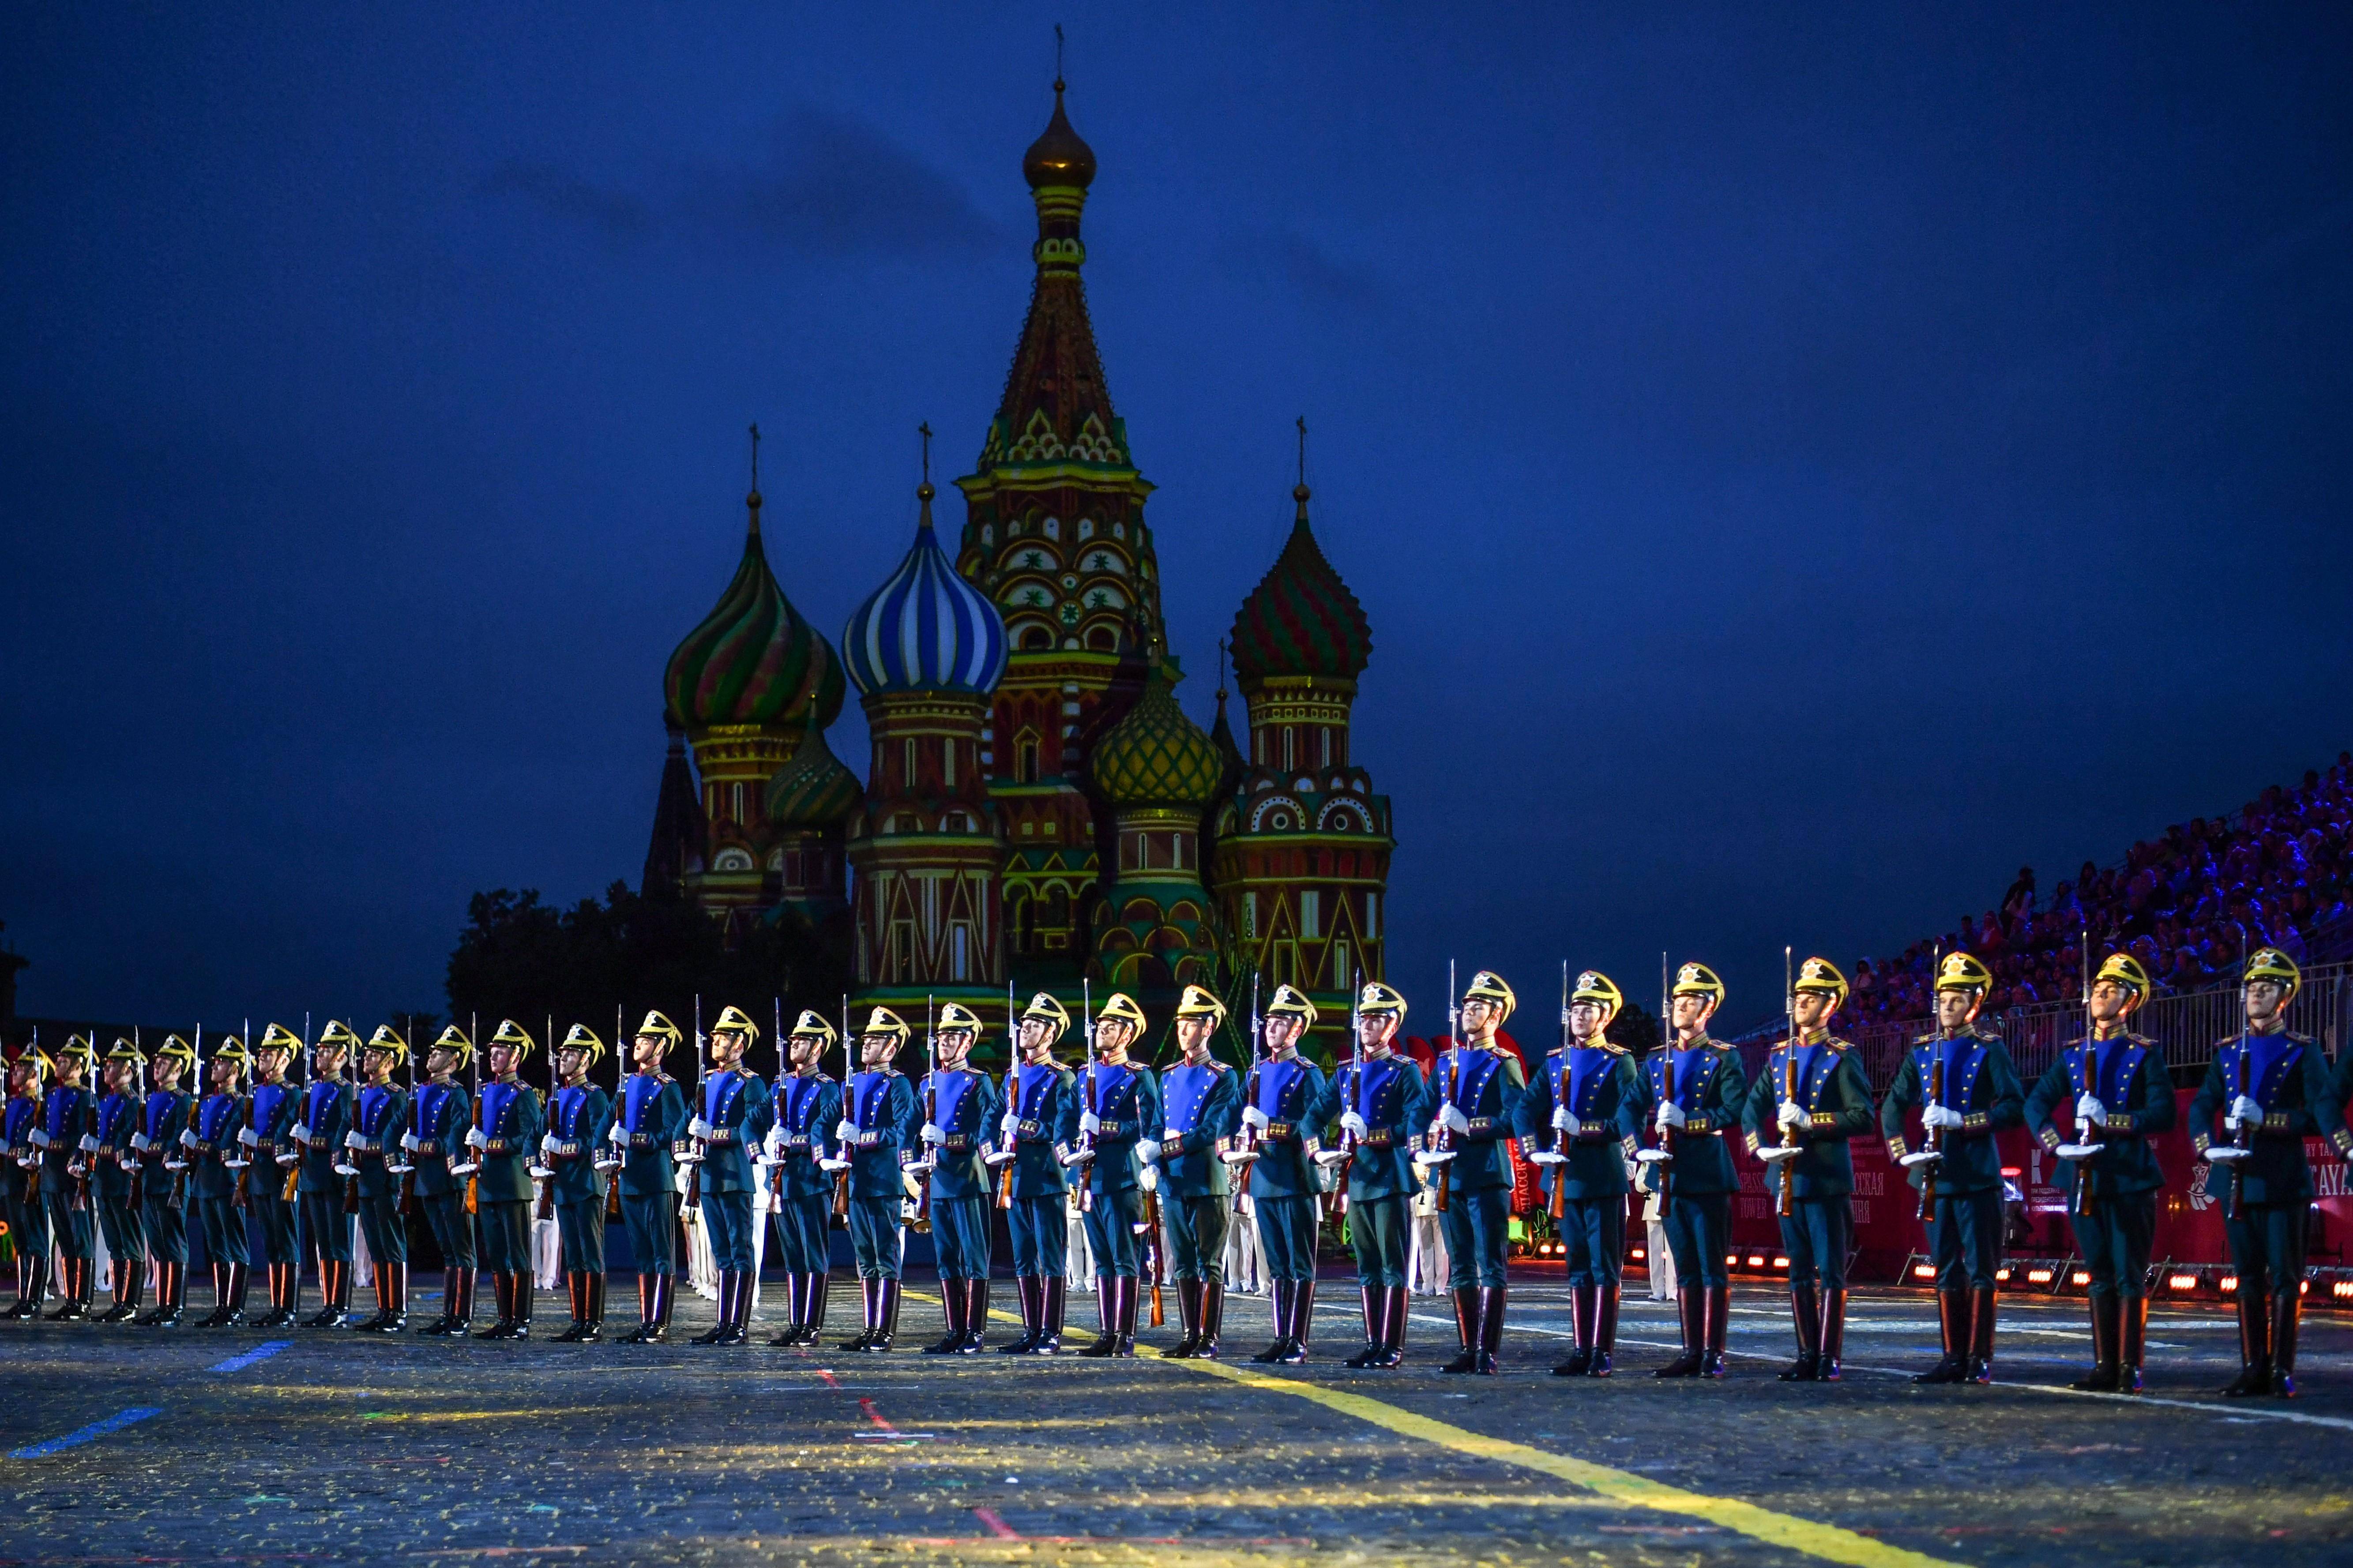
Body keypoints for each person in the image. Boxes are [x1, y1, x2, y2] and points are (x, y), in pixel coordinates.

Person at [2195, 948, 2342, 1397]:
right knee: (2246, 1275)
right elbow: (2202, 1103)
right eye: (2250, 987)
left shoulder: (2303, 1050)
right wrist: (2207, 1146)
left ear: (2284, 997)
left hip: (2280, 1176)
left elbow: (2319, 1113)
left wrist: (2267, 1118)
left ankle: (2280, 1368)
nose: (2255, 993)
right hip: (2237, 1177)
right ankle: (2252, 1367)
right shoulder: (2226, 1051)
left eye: (2265, 987)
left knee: (2283, 1275)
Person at [2024, 954, 2174, 1393]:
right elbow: (2035, 1103)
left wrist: (2114, 1120)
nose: (2099, 996)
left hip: (2128, 1173)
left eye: (2110, 990)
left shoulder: (2144, 1053)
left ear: (2129, 1001)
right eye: (2097, 989)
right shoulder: (2073, 1054)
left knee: (2129, 1272)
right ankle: (2105, 1365)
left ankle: (2130, 1367)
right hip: (2083, 1175)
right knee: (2098, 1271)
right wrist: (2057, 1143)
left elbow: (2163, 1113)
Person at [1881, 952, 2025, 1385]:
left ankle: (1978, 1358)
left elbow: (2014, 1104)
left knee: (1982, 1267)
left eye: (1957, 998)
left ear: (1974, 1004)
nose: (1947, 1005)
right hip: (1935, 1175)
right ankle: (1951, 1355)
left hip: (1976, 1171)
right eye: (1943, 996)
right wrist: (1900, 1151)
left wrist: (1964, 1121)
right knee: (1945, 1265)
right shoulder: (1922, 1049)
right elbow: (1893, 1102)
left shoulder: (1988, 1048)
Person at [1742, 958, 1872, 1383]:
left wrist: (1812, 1123)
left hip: (1823, 1176)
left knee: (1831, 1270)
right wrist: (1759, 1147)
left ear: (1831, 1005)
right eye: (1799, 996)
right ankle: (1805, 1353)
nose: (1802, 1003)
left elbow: (1863, 1116)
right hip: (1787, 1177)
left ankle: (1829, 1356)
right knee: (1798, 1269)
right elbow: (1751, 1108)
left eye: (1812, 997)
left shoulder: (1842, 1057)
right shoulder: (1780, 1055)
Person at [1519, 971, 1646, 1377]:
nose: (1580, 1015)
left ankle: (1602, 1351)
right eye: (1575, 1008)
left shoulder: (1619, 1061)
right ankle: (1580, 1348)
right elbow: (1524, 1108)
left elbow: (1629, 1117)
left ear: (1605, 1016)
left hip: (1602, 1174)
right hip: (1566, 1178)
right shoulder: (1556, 1061)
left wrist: (1583, 1128)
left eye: (1589, 1009)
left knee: (1604, 1265)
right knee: (1577, 1264)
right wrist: (1534, 1152)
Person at [1640, 963, 1746, 1378]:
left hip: (1705, 1171)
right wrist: (1636, 1149)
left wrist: (1690, 1121)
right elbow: (1630, 1105)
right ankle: (1690, 1350)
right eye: (1678, 1001)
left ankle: (1713, 1353)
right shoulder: (1655, 1059)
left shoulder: (1723, 1056)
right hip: (1669, 1175)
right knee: (1684, 1265)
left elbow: (1734, 1108)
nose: (1682, 1007)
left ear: (1708, 1009)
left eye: (1691, 1002)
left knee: (1711, 1266)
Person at [1421, 970, 1527, 1376]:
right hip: (1449, 1174)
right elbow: (1420, 1107)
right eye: (1466, 1006)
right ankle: (1468, 1347)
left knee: (1491, 1264)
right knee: (1461, 1264)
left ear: (1496, 1015)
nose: (1469, 1012)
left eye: (1478, 1007)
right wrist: (1422, 1140)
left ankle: (1488, 1351)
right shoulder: (1448, 1061)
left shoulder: (1504, 1063)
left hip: (1485, 1172)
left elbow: (1516, 1117)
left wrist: (1470, 1125)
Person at [1323, 981, 1428, 1369]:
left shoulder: (1404, 1070)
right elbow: (1314, 1116)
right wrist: (1319, 1149)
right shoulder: (1346, 1071)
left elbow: (1415, 1123)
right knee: (1366, 1265)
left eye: (1376, 1019)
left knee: (1392, 1265)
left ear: (1393, 1025)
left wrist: (1374, 1135)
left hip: (1389, 1176)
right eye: (1364, 1018)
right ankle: (1373, 1342)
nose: (1367, 1025)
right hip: (1360, 1177)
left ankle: (1392, 1346)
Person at [1154, 983, 1245, 1359]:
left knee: (1209, 1262)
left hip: (1207, 1179)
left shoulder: (1224, 1076)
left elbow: (1210, 1130)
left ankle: (1209, 1337)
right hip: (1174, 1182)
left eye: (1191, 1024)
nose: (1183, 1030)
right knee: (1183, 1262)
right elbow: (1157, 1124)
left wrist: (1166, 1148)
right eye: (1180, 1023)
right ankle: (1190, 1334)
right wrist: (1153, 1160)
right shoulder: (1169, 1075)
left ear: (1208, 1028)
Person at [1072, 991, 1162, 1358]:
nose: (1102, 1032)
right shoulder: (1084, 1075)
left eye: (1111, 1028)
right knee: (1102, 1260)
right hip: (1090, 1179)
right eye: (1100, 1026)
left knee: (1125, 1259)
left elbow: (1148, 1126)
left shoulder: (1139, 1076)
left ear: (1127, 1035)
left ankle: (1124, 1335)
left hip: (1122, 1176)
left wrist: (1104, 1126)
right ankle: (1107, 1332)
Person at [990, 992, 1081, 1354]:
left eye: (1034, 1026)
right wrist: (991, 1150)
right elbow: (991, 1119)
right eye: (1024, 1025)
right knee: (1024, 1257)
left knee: (1051, 1256)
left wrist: (1024, 1127)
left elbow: (1062, 1129)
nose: (1025, 1030)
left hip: (1045, 1178)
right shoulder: (1013, 1075)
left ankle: (1051, 1332)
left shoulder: (1063, 1077)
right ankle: (1031, 1329)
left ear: (1050, 1034)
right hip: (1014, 1177)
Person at [916, 1002, 1001, 1354]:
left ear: (967, 1043)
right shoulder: (927, 1083)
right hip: (938, 1181)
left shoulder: (979, 1082)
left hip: (968, 1178)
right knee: (946, 1257)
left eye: (953, 1037)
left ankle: (975, 1333)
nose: (944, 1043)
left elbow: (985, 1132)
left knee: (974, 1257)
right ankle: (954, 1330)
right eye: (941, 1037)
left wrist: (947, 1140)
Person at [686, 1006, 773, 1347]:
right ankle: (723, 1322)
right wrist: (685, 1144)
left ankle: (739, 1324)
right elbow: (687, 1124)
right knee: (721, 1253)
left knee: (741, 1251)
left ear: (739, 1045)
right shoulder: (707, 1079)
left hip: (736, 1174)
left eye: (723, 1037)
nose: (716, 1040)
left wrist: (713, 1133)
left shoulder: (751, 1083)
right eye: (716, 1035)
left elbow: (752, 1129)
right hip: (709, 1176)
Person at [834, 1007, 917, 1351]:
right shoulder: (850, 1082)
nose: (866, 1044)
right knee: (864, 1256)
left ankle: (885, 1331)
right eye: (866, 1038)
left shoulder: (898, 1084)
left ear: (891, 1047)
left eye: (875, 1039)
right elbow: (829, 1124)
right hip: (857, 1182)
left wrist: (862, 1137)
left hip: (884, 1181)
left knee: (886, 1254)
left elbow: (902, 1130)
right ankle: (870, 1328)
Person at [762, 1010, 842, 1347]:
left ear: (818, 1048)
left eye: (802, 1040)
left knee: (814, 1254)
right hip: (784, 1180)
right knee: (793, 1256)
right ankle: (796, 1323)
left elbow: (823, 1130)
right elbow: (753, 1121)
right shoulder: (780, 1084)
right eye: (793, 1039)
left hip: (811, 1180)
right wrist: (759, 1152)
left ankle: (812, 1326)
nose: (794, 1044)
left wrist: (791, 1141)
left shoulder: (827, 1088)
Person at [613, 1011, 687, 1344]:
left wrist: (635, 1141)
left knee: (661, 1253)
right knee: (641, 1253)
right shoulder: (627, 1084)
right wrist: (604, 1154)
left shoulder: (667, 1088)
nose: (637, 1044)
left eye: (645, 1040)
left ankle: (660, 1323)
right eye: (638, 1039)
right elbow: (606, 1126)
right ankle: (646, 1321)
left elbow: (672, 1133)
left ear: (659, 1048)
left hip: (656, 1177)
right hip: (629, 1179)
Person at [470, 1020, 546, 1340]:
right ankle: (505, 1318)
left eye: (501, 1051)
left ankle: (521, 1321)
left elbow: (529, 1138)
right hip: (488, 1184)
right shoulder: (486, 1091)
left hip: (514, 1183)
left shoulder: (524, 1094)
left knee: (518, 1254)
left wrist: (491, 1145)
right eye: (493, 1051)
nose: (494, 1056)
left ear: (515, 1056)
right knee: (497, 1255)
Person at [544, 1024, 617, 1342]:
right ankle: (578, 1320)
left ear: (585, 1060)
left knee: (591, 1253)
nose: (565, 1058)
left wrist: (565, 1148)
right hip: (563, 1185)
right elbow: (540, 1135)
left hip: (587, 1183)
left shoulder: (595, 1096)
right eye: (563, 1053)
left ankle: (593, 1322)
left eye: (571, 1053)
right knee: (573, 1255)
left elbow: (596, 1139)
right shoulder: (558, 1096)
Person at [408, 1025, 477, 1336]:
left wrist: (423, 1146)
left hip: (449, 1179)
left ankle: (462, 1316)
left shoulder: (457, 1093)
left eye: (440, 1053)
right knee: (446, 1251)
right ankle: (449, 1313)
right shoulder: (421, 1091)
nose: (432, 1055)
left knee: (462, 1250)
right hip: (427, 1179)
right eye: (433, 1051)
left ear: (453, 1062)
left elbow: (456, 1133)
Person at [346, 1026, 413, 1333]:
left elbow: (395, 1140)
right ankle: (384, 1309)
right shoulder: (364, 1094)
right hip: (364, 1180)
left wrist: (365, 1145)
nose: (367, 1058)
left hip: (386, 1179)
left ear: (389, 1062)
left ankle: (397, 1312)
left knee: (391, 1244)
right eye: (367, 1053)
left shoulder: (396, 1097)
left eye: (374, 1055)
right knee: (375, 1245)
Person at [294, 1021, 359, 1328]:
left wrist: (311, 1139)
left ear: (342, 1057)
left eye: (327, 1050)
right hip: (313, 1174)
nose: (320, 1054)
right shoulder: (316, 1089)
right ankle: (328, 1303)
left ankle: (341, 1307)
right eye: (319, 1049)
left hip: (335, 1175)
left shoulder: (345, 1091)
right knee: (324, 1242)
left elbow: (342, 1131)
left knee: (340, 1242)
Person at [243, 1024, 304, 1329]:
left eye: (269, 1053)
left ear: (284, 1059)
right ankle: (276, 1305)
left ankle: (288, 1307)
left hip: (282, 1174)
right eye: (261, 1052)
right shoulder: (258, 1092)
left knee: (286, 1239)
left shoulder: (291, 1094)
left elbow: (286, 1135)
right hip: (260, 1174)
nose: (261, 1057)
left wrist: (259, 1142)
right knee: (270, 1243)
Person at [190, 1034, 253, 1327]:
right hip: (205, 1182)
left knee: (236, 1245)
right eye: (215, 1062)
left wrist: (196, 1144)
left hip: (228, 1182)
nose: (215, 1066)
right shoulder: (204, 1102)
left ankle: (235, 1307)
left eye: (222, 1063)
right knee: (216, 1246)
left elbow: (225, 1147)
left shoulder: (240, 1104)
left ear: (236, 1070)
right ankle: (221, 1306)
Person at [134, 1034, 197, 1327]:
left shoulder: (182, 1101)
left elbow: (178, 1141)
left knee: (173, 1242)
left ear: (178, 1069)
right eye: (157, 1061)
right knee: (157, 1244)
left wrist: (150, 1147)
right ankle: (162, 1304)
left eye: (164, 1062)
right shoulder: (151, 1100)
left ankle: (176, 1307)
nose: (156, 1066)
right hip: (149, 1179)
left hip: (171, 1179)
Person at [39, 1034, 99, 1320]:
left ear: (78, 1066)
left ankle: (83, 1302)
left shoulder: (85, 1096)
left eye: (65, 1060)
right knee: (64, 1240)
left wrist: (51, 1144)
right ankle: (71, 1299)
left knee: (81, 1239)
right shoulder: (51, 1095)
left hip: (73, 1176)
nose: (58, 1062)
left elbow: (80, 1136)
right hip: (52, 1174)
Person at [91, 1038, 151, 1322]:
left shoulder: (132, 1103)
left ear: (127, 1069)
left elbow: (126, 1140)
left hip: (122, 1179)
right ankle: (119, 1301)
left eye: (112, 1064)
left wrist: (102, 1149)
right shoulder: (105, 1102)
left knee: (131, 1242)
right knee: (115, 1243)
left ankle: (131, 1303)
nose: (106, 1068)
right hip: (104, 1180)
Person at [3, 1047, 52, 1318]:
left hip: (32, 1179)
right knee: (20, 1242)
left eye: (21, 1068)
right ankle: (24, 1299)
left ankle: (34, 1301)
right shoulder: (12, 1104)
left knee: (36, 1241)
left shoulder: (41, 1106)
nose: (15, 1072)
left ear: (34, 1073)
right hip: (13, 1178)